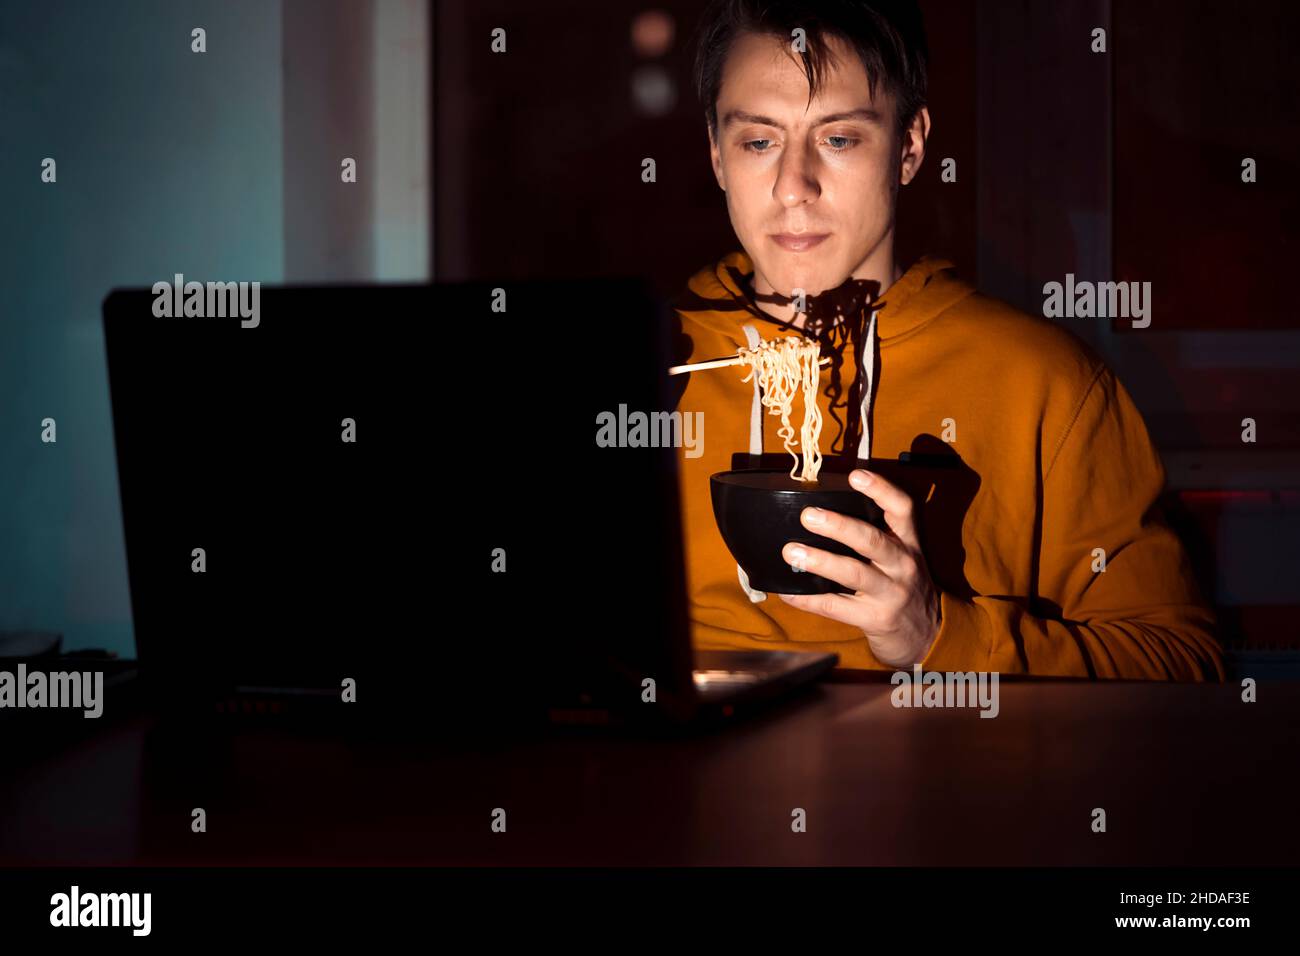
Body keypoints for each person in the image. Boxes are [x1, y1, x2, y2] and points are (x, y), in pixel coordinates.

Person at [672, 0, 1224, 680]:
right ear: (716, 153)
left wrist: (937, 635)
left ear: (909, 146)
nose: (794, 187)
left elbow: (1184, 664)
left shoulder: (1042, 381)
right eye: (759, 142)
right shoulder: (647, 366)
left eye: (839, 139)